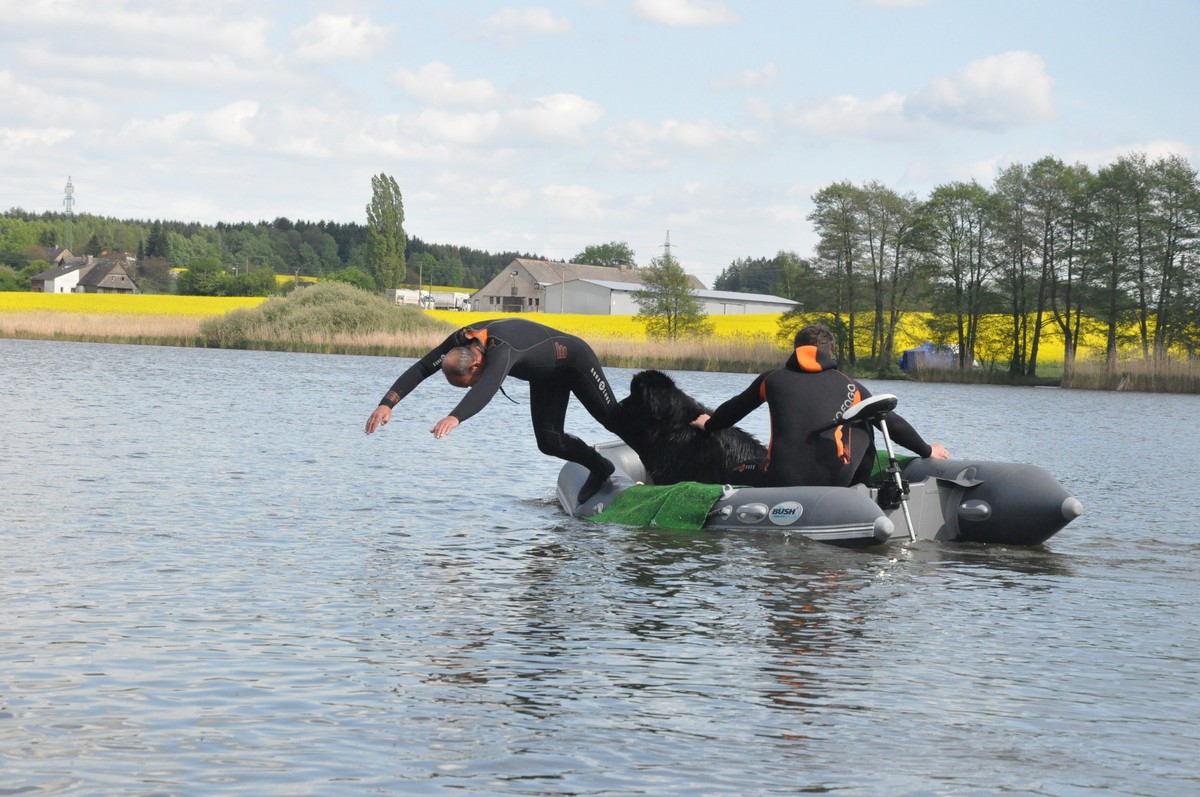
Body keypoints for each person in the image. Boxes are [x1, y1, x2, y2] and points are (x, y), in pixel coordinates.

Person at [365, 318, 630, 503]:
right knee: (549, 442)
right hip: (546, 375)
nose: (472, 386)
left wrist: (455, 417)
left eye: (469, 383)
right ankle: (601, 467)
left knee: (612, 419)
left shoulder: (500, 350)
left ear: (474, 366)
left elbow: (487, 387)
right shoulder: (460, 341)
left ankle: (652, 457)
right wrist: (387, 403)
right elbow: (423, 367)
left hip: (573, 359)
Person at [691, 323, 948, 488]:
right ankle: (861, 488)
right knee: (867, 416)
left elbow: (734, 410)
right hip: (838, 480)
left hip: (782, 479)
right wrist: (927, 450)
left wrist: (709, 424)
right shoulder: (852, 386)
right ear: (831, 352)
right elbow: (891, 422)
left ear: (795, 350)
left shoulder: (771, 379)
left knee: (737, 470)